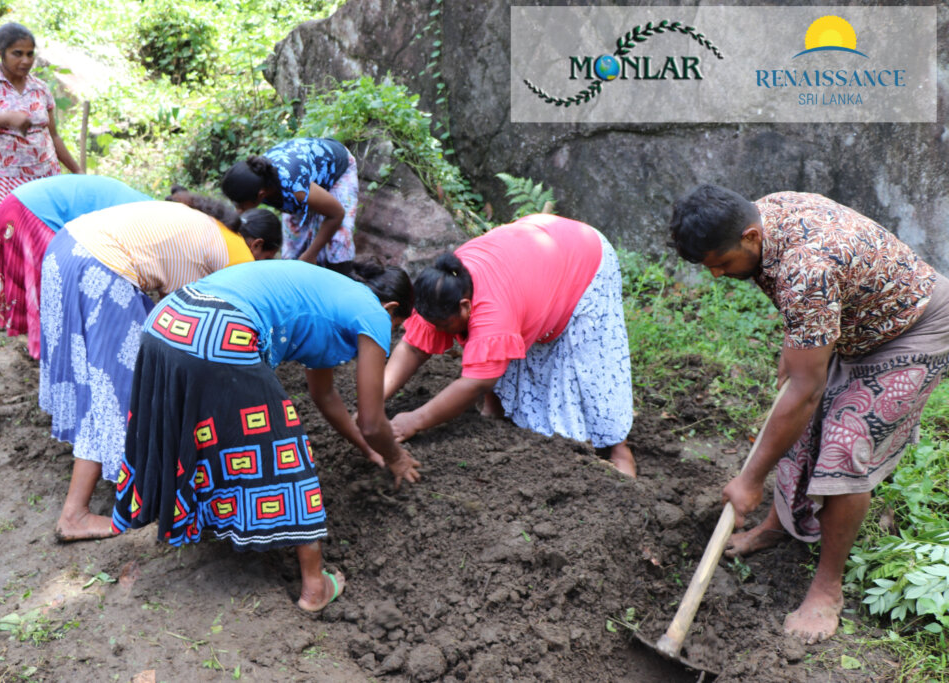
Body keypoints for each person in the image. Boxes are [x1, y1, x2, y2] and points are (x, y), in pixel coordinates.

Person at [669, 185, 949, 644]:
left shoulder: (807, 268)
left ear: (752, 236)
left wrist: (749, 480)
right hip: (855, 320)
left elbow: (805, 386)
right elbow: (806, 327)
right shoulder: (765, 215)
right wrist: (799, 339)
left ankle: (826, 589)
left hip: (912, 329)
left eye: (721, 263)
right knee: (797, 429)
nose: (717, 275)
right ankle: (777, 525)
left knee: (845, 445)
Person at [110, 259, 421, 611]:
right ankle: (315, 587)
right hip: (219, 331)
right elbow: (371, 419)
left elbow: (325, 395)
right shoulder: (373, 312)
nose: (384, 336)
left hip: (167, 320)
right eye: (394, 328)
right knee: (284, 449)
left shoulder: (328, 295)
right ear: (392, 309)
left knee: (201, 429)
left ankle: (196, 518)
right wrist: (395, 456)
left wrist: (367, 449)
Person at [41, 198, 278, 542]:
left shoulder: (213, 230)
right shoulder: (239, 261)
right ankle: (74, 515)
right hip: (101, 266)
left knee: (96, 376)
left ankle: (119, 471)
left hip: (66, 247)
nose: (264, 267)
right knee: (123, 385)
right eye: (267, 260)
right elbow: (191, 334)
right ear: (257, 246)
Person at [383, 213, 636, 476]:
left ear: (465, 307)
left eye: (444, 327)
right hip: (539, 251)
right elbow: (413, 347)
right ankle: (496, 409)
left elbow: (476, 382)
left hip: (584, 261)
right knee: (494, 347)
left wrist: (414, 420)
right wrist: (374, 399)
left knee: (592, 369)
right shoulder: (442, 286)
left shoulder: (493, 312)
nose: (438, 333)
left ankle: (619, 449)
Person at [0, 174, 151, 358]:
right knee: (60, 288)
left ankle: (53, 349)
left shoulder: (149, 208)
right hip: (33, 213)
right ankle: (57, 355)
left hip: (14, 204)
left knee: (55, 289)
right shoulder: (150, 221)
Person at [0, 22, 80, 233]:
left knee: (48, 235)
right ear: (1, 52)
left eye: (30, 54)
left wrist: (77, 170)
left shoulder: (40, 88)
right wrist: (5, 117)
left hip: (45, 174)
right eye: (17, 54)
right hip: (6, 178)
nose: (26, 61)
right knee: (13, 237)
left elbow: (53, 136)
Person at [221, 137, 357, 273]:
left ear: (261, 195)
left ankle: (343, 277)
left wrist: (311, 254)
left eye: (240, 205)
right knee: (293, 248)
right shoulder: (256, 178)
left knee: (337, 242)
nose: (238, 210)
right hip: (305, 177)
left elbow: (337, 214)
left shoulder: (295, 188)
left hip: (336, 169)